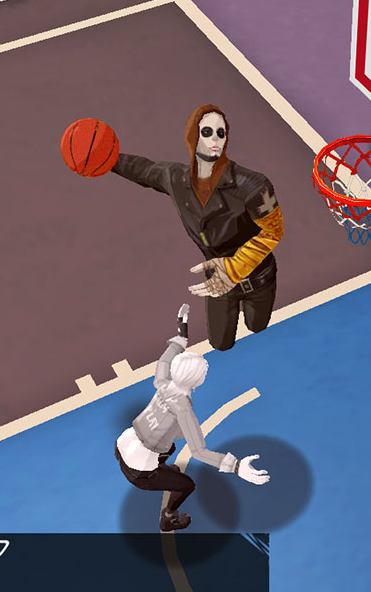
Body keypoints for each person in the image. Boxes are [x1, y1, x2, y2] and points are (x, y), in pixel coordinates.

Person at [110, 104, 284, 351]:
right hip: (217, 281)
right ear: (193, 136)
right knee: (220, 344)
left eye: (221, 133)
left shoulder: (253, 185)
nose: (215, 139)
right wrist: (108, 159)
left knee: (258, 328)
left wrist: (234, 268)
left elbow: (273, 231)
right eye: (207, 132)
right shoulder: (176, 179)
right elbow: (145, 170)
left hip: (259, 277)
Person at [116, 304, 269, 531]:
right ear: (199, 381)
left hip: (122, 445)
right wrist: (237, 467)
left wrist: (182, 331)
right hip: (139, 472)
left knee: (170, 447)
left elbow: (165, 360)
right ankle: (168, 517)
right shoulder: (183, 411)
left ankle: (160, 469)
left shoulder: (162, 382)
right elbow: (199, 452)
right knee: (187, 485)